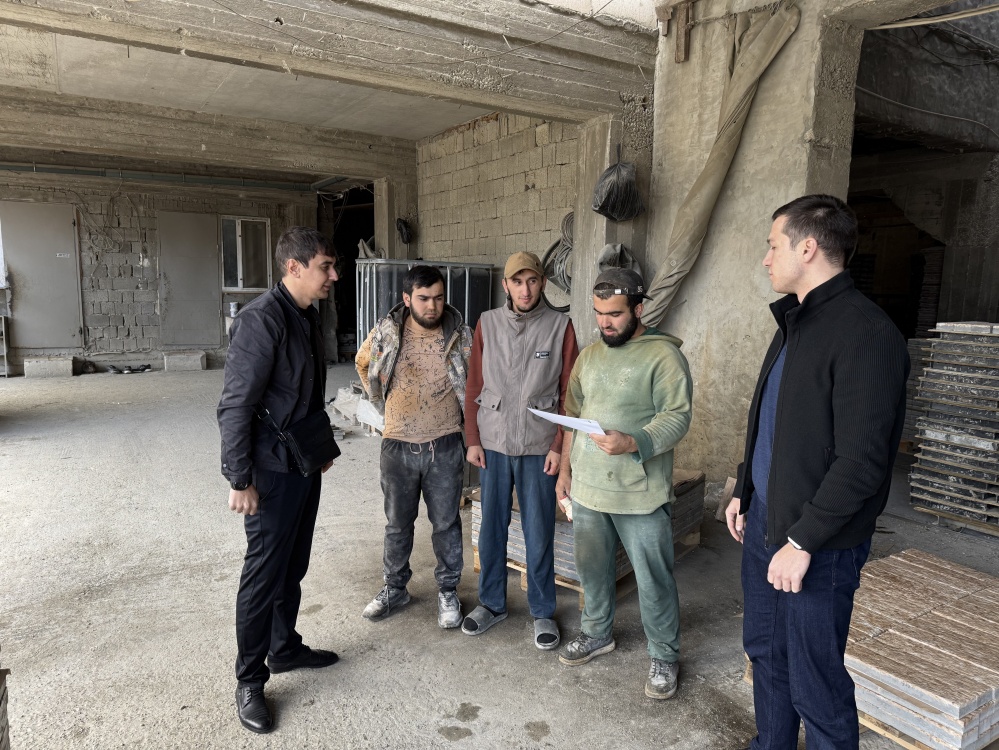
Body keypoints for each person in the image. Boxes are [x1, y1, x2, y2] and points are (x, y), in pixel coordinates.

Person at [725, 194, 909, 750]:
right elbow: (775, 420)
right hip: (766, 525)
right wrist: (745, 487)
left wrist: (803, 539)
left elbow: (862, 461)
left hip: (818, 545)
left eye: (772, 245)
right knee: (765, 654)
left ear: (807, 248)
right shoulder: (793, 321)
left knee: (815, 682)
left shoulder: (866, 333)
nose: (766, 258)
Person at [217, 226, 341, 734]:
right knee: (263, 574)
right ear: (294, 267)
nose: (334, 275)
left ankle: (284, 647)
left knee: (294, 563)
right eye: (325, 266)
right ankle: (249, 681)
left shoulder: (307, 315)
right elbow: (235, 405)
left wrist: (319, 448)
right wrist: (239, 477)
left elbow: (306, 395)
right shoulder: (260, 321)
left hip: (302, 464)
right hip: (268, 472)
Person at [555, 268, 693, 700]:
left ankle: (664, 654)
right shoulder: (590, 357)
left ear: (638, 309)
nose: (605, 323)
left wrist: (634, 441)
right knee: (592, 569)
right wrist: (565, 472)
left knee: (653, 578)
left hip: (640, 492)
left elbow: (677, 417)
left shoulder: (663, 357)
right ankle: (597, 633)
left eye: (614, 314)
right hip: (590, 488)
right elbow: (572, 416)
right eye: (599, 314)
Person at [461, 251, 579, 649]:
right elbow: (474, 384)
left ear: (543, 283)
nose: (525, 290)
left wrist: (559, 447)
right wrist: (472, 438)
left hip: (539, 445)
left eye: (532, 281)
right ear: (506, 285)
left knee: (538, 530)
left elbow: (569, 394)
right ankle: (492, 604)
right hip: (493, 444)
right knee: (491, 528)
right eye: (517, 282)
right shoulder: (488, 323)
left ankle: (543, 610)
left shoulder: (560, 326)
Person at [355, 265, 472, 629]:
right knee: (397, 525)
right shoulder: (386, 331)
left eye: (438, 298)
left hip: (445, 444)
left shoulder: (460, 334)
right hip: (397, 445)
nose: (432, 306)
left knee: (446, 524)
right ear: (407, 299)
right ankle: (394, 588)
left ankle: (448, 591)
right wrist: (383, 405)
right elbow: (364, 363)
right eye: (423, 299)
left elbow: (475, 379)